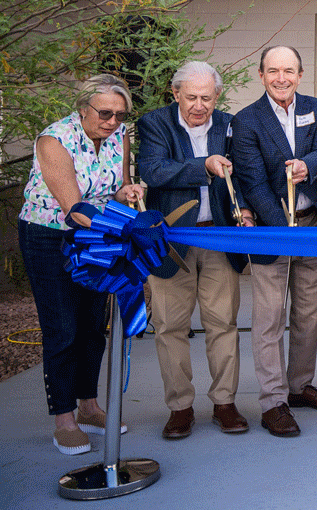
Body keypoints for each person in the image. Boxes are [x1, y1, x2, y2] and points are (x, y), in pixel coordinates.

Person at [18, 74, 145, 454]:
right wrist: (125, 227)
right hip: (50, 236)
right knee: (63, 329)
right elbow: (75, 209)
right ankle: (64, 418)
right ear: (83, 108)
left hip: (98, 235)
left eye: (120, 115)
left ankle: (89, 406)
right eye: (105, 112)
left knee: (94, 325)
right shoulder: (53, 140)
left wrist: (130, 193)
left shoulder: (120, 136)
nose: (112, 121)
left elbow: (117, 187)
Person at [139, 61, 254, 440]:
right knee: (170, 326)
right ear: (175, 94)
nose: (199, 105)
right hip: (172, 240)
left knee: (223, 323)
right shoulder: (155, 123)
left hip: (219, 237)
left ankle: (225, 402)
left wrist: (248, 210)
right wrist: (202, 165)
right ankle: (180, 407)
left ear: (217, 96)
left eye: (207, 97)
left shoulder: (229, 123)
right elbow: (154, 170)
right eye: (191, 97)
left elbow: (245, 173)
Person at [232, 45, 317, 438]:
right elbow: (253, 183)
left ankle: (300, 386)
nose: (282, 77)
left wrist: (307, 165)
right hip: (271, 229)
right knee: (268, 319)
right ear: (261, 74)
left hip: (314, 225)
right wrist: (282, 231)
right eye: (273, 70)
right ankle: (273, 401)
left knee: (309, 314)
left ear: (300, 74)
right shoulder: (246, 121)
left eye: (289, 71)